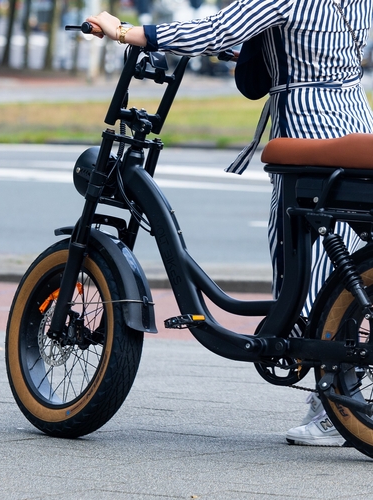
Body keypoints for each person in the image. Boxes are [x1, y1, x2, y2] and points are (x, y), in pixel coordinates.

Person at [87, 0, 373, 447]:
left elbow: (216, 28)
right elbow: (314, 46)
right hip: (354, 116)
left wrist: (124, 31)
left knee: (301, 252)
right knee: (339, 249)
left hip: (309, 126)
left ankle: (331, 403)